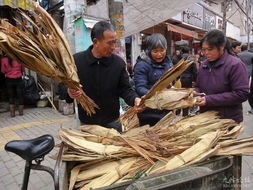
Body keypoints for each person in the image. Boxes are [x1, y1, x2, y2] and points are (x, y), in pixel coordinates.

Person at [66, 21, 141, 132]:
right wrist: (69, 92)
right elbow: (63, 85)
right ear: (96, 41)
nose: (113, 47)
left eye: (114, 42)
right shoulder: (77, 61)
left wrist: (135, 99)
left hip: (113, 123)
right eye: (110, 43)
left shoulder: (118, 63)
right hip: (87, 124)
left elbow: (125, 90)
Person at [195, 29, 249, 123]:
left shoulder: (235, 65)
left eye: (210, 49)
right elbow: (198, 86)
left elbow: (241, 94)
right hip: (205, 118)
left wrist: (208, 100)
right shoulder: (203, 65)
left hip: (227, 120)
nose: (206, 53)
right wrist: (196, 95)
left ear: (222, 47)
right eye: (204, 49)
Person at [133, 33, 173, 126]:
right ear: (149, 50)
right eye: (155, 51)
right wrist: (157, 96)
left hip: (165, 110)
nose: (159, 54)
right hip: (148, 113)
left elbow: (169, 83)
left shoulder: (168, 63)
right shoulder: (142, 65)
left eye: (162, 50)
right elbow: (140, 87)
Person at [180, 47, 197, 116]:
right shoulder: (191, 60)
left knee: (179, 96)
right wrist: (195, 80)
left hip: (179, 80)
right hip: (188, 80)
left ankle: (178, 110)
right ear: (189, 52)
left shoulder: (178, 59)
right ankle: (185, 113)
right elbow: (195, 72)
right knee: (187, 96)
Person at [238, 44, 253, 114]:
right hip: (250, 70)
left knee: (241, 81)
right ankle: (246, 89)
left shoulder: (239, 55)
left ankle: (243, 89)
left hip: (241, 70)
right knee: (249, 82)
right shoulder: (251, 54)